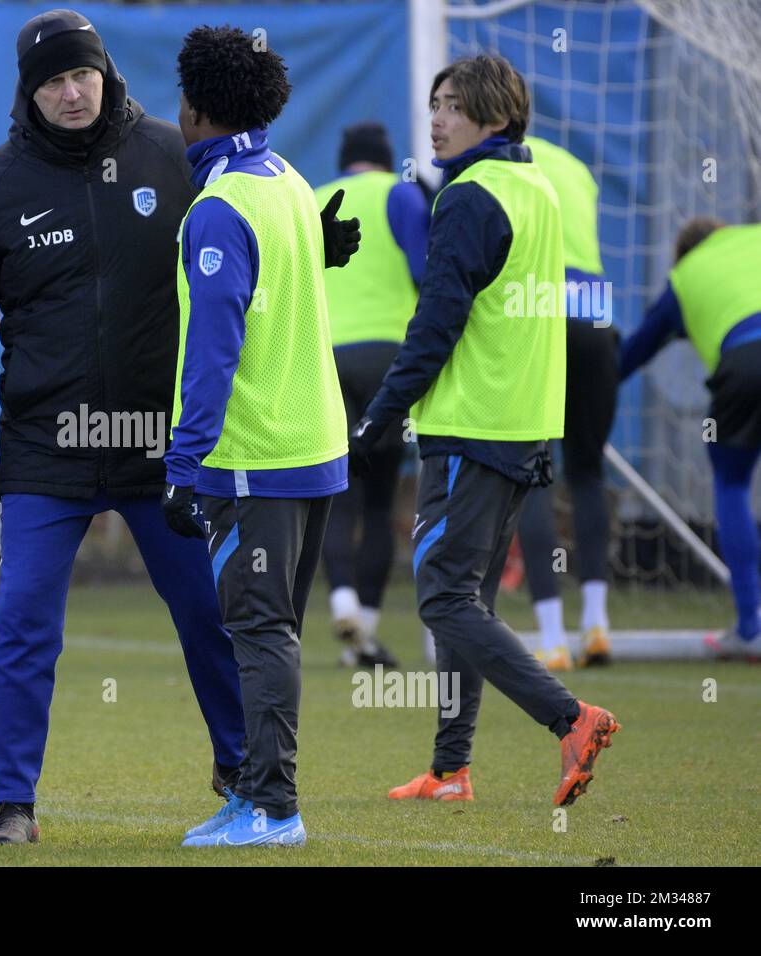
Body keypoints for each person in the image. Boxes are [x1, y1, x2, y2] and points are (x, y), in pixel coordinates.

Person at [0, 9, 246, 845]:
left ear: (105, 74)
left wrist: (312, 244)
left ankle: (245, 775)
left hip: (161, 444)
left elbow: (244, 244)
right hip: (45, 447)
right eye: (51, 82)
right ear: (27, 92)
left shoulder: (173, 157)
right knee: (23, 624)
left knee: (211, 614)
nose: (70, 94)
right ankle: (13, 803)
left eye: (82, 76)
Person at [352, 54, 620, 806]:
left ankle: (573, 718)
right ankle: (450, 769)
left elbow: (436, 323)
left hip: (472, 426)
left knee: (441, 599)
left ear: (494, 117)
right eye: (434, 104)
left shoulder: (469, 196)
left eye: (452, 106)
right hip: (523, 425)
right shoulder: (534, 186)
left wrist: (382, 412)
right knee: (469, 599)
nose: (435, 120)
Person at [164, 25, 357, 848]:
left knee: (259, 632)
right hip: (313, 445)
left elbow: (214, 348)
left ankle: (274, 810)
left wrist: (184, 461)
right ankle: (257, 797)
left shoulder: (220, 206)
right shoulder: (286, 178)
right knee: (273, 630)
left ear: (198, 109)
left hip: (253, 457)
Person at [314, 122, 430, 669]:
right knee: (382, 501)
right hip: (387, 356)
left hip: (325, 358)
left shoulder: (315, 199)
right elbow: (425, 273)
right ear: (387, 160)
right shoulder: (401, 194)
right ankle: (367, 628)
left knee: (336, 492)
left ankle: (340, 603)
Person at [619, 218, 761, 659]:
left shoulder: (684, 278)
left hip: (744, 362)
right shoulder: (753, 236)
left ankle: (751, 626)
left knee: (732, 483)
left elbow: (632, 353)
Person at [515, 133, 617, 670]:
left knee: (533, 471)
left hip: (536, 309)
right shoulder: (578, 167)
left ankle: (553, 637)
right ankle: (596, 624)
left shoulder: (495, 161)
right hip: (597, 313)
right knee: (589, 471)